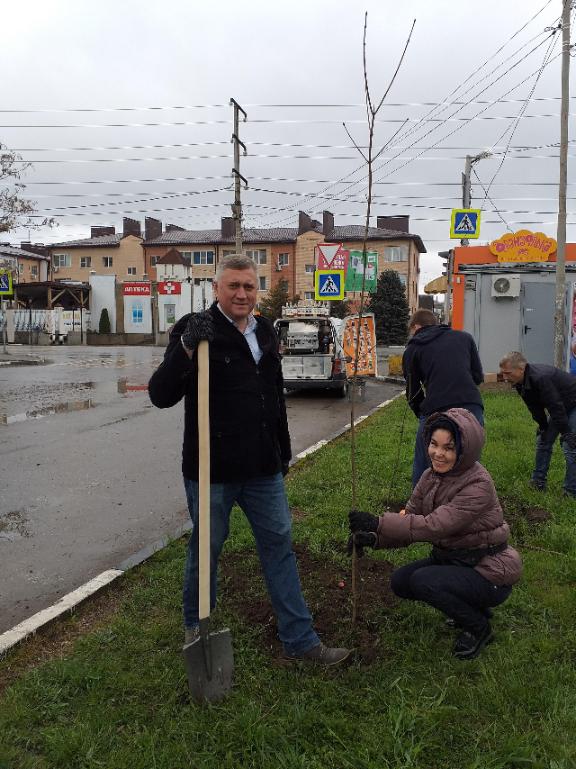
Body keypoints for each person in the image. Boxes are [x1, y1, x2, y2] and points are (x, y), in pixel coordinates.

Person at [148, 254, 350, 667]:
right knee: (206, 550)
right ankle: (195, 629)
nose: (241, 294)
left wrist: (283, 450)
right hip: (212, 470)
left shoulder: (265, 332)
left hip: (263, 469)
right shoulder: (195, 331)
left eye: (248, 287)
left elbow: (274, 399)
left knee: (280, 547)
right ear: (216, 289)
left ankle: (301, 641)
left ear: (256, 291)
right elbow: (160, 394)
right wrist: (185, 348)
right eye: (233, 286)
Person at [348, 408, 522, 660]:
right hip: (455, 560)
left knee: (423, 581)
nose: (438, 454)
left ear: (464, 450)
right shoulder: (430, 476)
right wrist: (374, 538)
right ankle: (470, 607)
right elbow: (410, 518)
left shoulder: (478, 485)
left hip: (488, 570)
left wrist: (377, 522)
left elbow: (433, 525)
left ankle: (478, 627)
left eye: (449, 448)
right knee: (401, 581)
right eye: (434, 444)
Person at [402, 309, 484, 486]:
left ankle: (420, 507)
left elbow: (412, 391)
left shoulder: (414, 347)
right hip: (471, 404)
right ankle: (471, 500)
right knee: (470, 458)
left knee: (426, 459)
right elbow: (478, 376)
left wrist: (422, 414)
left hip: (435, 407)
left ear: (416, 326)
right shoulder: (464, 337)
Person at [499, 351, 576, 497]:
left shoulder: (540, 378)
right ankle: (538, 482)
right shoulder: (520, 382)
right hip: (561, 406)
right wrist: (542, 425)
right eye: (503, 373)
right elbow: (534, 406)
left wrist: (566, 432)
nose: (505, 377)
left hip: (573, 403)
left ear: (521, 369)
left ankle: (570, 492)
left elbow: (555, 406)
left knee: (570, 445)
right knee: (543, 439)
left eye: (508, 373)